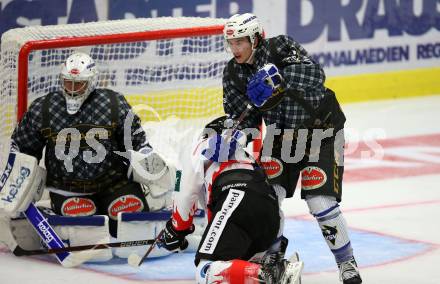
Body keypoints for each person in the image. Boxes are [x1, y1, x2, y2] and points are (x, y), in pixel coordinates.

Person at [221, 13, 362, 284]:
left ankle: (347, 264)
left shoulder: (279, 47)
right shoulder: (233, 73)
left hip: (322, 131)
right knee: (268, 199)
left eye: (240, 42)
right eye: (231, 43)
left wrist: (277, 78)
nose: (235, 49)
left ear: (254, 39)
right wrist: (233, 130)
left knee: (320, 201)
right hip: (281, 137)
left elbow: (315, 75)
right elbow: (245, 119)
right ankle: (273, 258)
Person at [3, 52, 174, 239]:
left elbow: (136, 141)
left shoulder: (113, 103)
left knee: (131, 225)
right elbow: (23, 147)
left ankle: (153, 203)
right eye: (68, 82)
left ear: (91, 81)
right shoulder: (43, 108)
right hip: (66, 188)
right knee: (85, 234)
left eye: (79, 83)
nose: (73, 89)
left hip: (114, 183)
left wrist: (146, 158)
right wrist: (18, 182)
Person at [159, 116, 303, 284]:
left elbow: (184, 194)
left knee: (207, 270)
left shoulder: (198, 146)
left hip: (237, 200)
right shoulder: (245, 156)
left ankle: (277, 274)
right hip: (270, 212)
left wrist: (175, 230)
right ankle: (274, 266)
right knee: (238, 271)